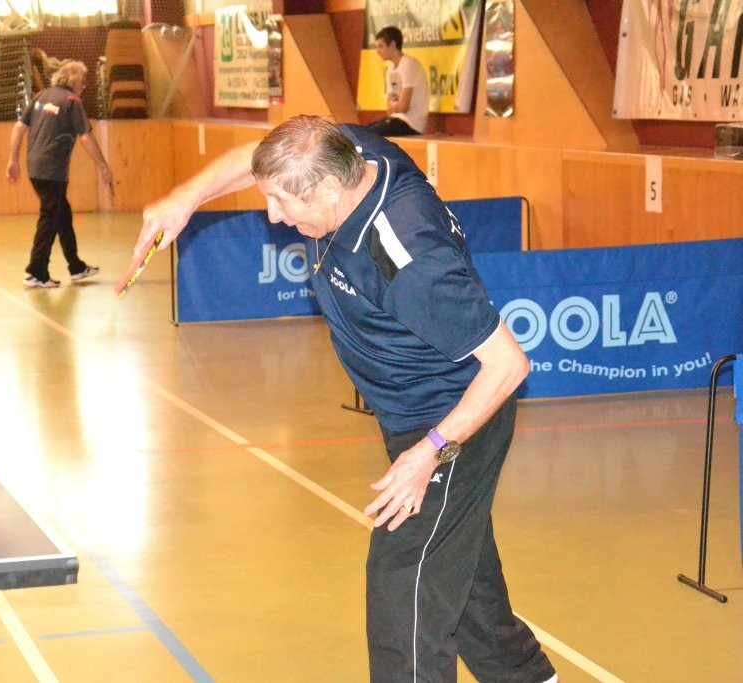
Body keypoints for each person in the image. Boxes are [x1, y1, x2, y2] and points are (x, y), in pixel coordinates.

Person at [134, 116, 558, 683]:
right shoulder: (345, 151)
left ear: (331, 189)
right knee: (463, 574)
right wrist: (186, 199)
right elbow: (262, 155)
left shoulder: (406, 256)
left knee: (404, 589)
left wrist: (429, 451)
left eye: (283, 202)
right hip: (407, 414)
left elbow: (508, 365)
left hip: (454, 418)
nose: (273, 216)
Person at [6, 59, 112, 288]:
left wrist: (13, 160)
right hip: (52, 171)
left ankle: (76, 267)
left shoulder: (41, 96)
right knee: (49, 219)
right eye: (83, 82)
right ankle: (36, 272)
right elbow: (86, 137)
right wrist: (103, 166)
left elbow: (18, 128)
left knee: (62, 215)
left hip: (35, 168)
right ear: (74, 80)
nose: (84, 86)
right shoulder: (71, 101)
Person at [366, 26, 429, 138]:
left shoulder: (409, 64)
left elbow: (404, 106)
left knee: (366, 135)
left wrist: (395, 105)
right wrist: (396, 105)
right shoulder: (391, 70)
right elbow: (389, 108)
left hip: (411, 124)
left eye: (381, 46)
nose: (378, 52)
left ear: (392, 45)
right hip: (396, 120)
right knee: (361, 132)